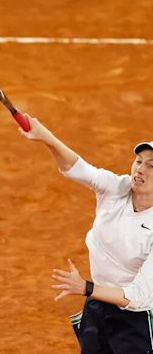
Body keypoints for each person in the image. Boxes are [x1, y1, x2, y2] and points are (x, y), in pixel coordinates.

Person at [20, 113, 153, 353]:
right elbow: (78, 168)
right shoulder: (118, 188)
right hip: (98, 308)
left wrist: (86, 288)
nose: (140, 170)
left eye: (151, 165)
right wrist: (45, 137)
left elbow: (139, 297)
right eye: (138, 161)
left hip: (137, 321)